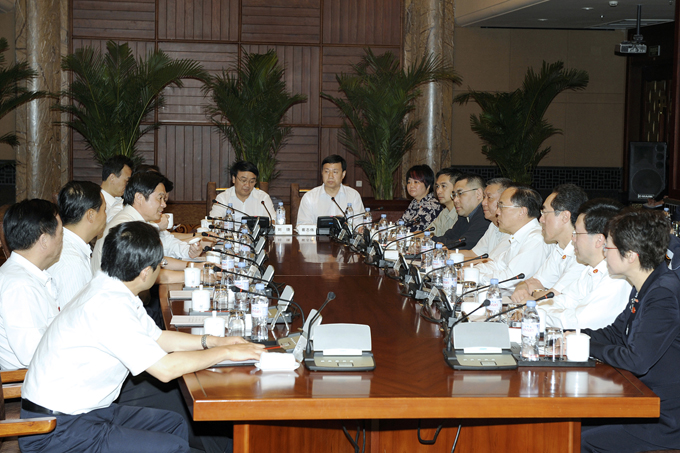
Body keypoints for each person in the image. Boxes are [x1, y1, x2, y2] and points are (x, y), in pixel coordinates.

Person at [19, 221, 264, 453]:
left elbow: (157, 337)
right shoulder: (108, 305)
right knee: (172, 447)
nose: (162, 269)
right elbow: (165, 370)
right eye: (161, 265)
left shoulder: (114, 288)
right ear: (146, 272)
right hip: (54, 430)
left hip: (85, 413)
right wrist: (227, 353)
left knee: (175, 424)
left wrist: (213, 341)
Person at [580, 210, 680, 453]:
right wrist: (571, 335)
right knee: (566, 425)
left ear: (631, 255)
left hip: (662, 418)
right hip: (639, 399)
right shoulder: (644, 285)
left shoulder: (663, 293)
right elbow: (615, 333)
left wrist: (584, 346)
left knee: (576, 439)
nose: (604, 253)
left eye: (610, 248)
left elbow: (637, 361)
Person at [539, 199, 631, 330]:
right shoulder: (590, 270)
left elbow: (579, 322)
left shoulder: (617, 278)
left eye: (577, 233)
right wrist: (536, 310)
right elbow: (565, 300)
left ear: (599, 240)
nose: (573, 238)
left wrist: (538, 314)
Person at [92, 171, 199, 282]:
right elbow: (147, 274)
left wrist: (193, 266)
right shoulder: (127, 227)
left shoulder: (136, 220)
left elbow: (156, 261)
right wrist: (196, 274)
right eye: (160, 198)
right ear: (139, 197)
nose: (164, 204)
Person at [0, 199, 62, 369]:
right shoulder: (20, 285)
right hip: (31, 386)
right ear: (44, 240)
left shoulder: (25, 276)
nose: (62, 240)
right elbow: (33, 354)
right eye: (60, 234)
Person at [511, 184, 587, 303]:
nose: (541, 219)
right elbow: (533, 281)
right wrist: (522, 288)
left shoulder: (583, 255)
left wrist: (535, 293)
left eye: (545, 212)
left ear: (565, 216)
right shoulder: (559, 248)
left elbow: (552, 297)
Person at [474, 185, 549, 293]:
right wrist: (471, 271)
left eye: (502, 207)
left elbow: (510, 279)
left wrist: (476, 277)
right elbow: (497, 264)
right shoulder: (519, 236)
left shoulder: (536, 240)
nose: (497, 212)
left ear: (522, 212)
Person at [47, 181, 107, 311]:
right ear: (91, 215)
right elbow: (73, 320)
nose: (106, 217)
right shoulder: (72, 263)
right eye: (104, 210)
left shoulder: (65, 245)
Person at [296, 154, 364, 226]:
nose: (330, 176)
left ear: (343, 174)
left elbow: (359, 225)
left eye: (335, 172)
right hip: (317, 237)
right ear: (322, 173)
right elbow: (302, 226)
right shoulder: (309, 197)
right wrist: (325, 226)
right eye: (327, 171)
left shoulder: (353, 195)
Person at [433, 173, 489, 250]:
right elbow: (449, 236)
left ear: (478, 194)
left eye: (460, 193)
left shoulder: (485, 216)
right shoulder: (464, 215)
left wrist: (437, 242)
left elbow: (465, 245)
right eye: (454, 195)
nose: (455, 200)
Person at [209, 161, 276, 223]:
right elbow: (213, 221)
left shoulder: (263, 198)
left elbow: (273, 221)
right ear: (234, 179)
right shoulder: (223, 198)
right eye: (243, 180)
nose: (247, 185)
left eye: (252, 181)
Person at [462, 177, 512, 260]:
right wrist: (446, 254)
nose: (483, 202)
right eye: (484, 197)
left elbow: (490, 262)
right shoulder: (493, 225)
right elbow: (474, 253)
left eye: (489, 197)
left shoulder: (511, 230)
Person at [398, 164, 442, 232]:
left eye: (416, 182)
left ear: (428, 186)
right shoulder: (414, 202)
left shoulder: (432, 205)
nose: (411, 185)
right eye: (409, 182)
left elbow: (415, 229)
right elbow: (400, 223)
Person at [100, 155, 134, 223]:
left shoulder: (120, 200)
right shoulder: (98, 204)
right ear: (112, 178)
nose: (128, 185)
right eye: (126, 181)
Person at [430, 167, 460, 236]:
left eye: (443, 186)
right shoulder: (445, 212)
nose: (438, 191)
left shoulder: (461, 214)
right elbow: (428, 233)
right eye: (437, 186)